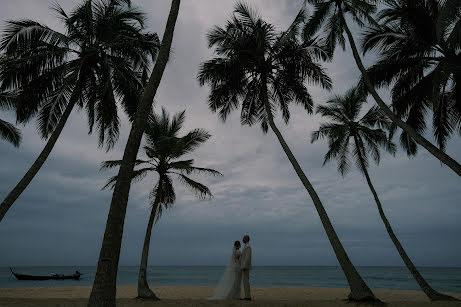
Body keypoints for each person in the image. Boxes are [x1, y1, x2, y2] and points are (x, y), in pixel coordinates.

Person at [240, 234, 252, 300]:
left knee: (246, 281)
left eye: (243, 238)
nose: (242, 239)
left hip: (245, 267)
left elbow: (247, 257)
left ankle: (248, 296)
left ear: (246, 239)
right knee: (245, 282)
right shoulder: (246, 246)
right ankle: (247, 296)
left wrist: (244, 266)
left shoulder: (248, 246)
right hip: (244, 266)